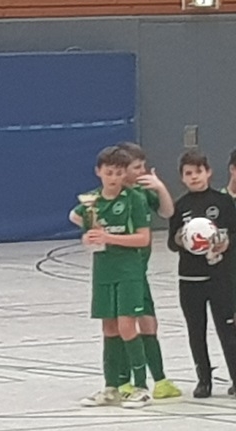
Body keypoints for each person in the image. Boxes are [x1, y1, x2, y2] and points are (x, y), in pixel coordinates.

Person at [70, 145, 153, 408]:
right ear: (99, 172)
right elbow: (77, 219)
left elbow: (143, 238)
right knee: (109, 327)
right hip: (103, 270)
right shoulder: (92, 201)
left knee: (127, 325)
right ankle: (111, 386)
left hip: (128, 270)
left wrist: (109, 237)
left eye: (118, 173)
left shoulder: (134, 199)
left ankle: (141, 386)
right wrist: (90, 238)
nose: (114, 178)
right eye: (109, 173)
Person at [167, 150, 236, 397]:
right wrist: (181, 239)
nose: (194, 177)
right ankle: (203, 380)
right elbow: (171, 242)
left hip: (220, 278)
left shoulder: (223, 202)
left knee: (228, 330)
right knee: (196, 331)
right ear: (182, 177)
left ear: (208, 172)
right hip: (190, 279)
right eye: (188, 173)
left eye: (198, 171)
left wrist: (226, 243)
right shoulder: (180, 206)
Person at [117, 142, 181, 399]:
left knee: (148, 323)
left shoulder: (143, 191)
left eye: (143, 166)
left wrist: (160, 187)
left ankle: (160, 380)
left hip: (139, 271)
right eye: (137, 167)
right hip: (125, 270)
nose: (142, 171)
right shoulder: (116, 195)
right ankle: (127, 381)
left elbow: (167, 211)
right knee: (125, 324)